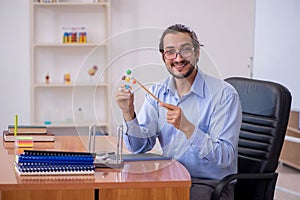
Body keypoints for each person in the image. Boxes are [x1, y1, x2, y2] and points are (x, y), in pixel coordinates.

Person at [115, 24, 242, 200]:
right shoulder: (157, 92)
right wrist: (128, 113)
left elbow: (225, 157)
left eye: (185, 50)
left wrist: (188, 128)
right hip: (171, 177)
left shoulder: (224, 94)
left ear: (197, 52)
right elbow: (139, 147)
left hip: (207, 184)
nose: (178, 58)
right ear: (163, 57)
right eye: (170, 52)